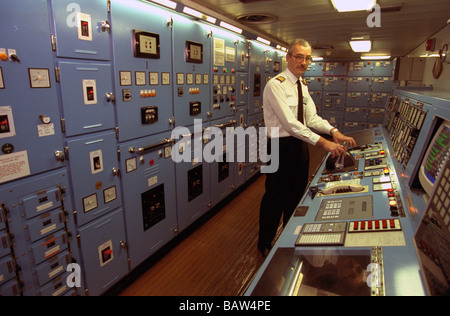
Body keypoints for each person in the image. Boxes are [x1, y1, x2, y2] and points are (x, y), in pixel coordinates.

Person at [258, 39, 356, 257]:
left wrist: (333, 132)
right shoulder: (276, 85)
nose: (303, 62)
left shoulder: (302, 85)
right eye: (299, 57)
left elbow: (311, 118)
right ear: (289, 57)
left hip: (299, 146)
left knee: (296, 195)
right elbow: (290, 124)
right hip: (279, 147)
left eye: (307, 58)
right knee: (274, 197)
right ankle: (265, 242)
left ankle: (288, 238)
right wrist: (323, 142)